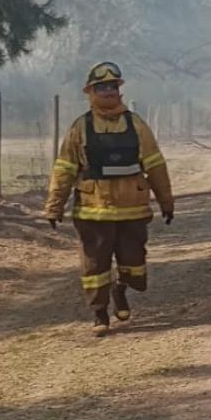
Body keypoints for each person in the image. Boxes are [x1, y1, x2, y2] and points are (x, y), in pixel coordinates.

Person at [44, 62, 174, 336]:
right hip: (93, 213)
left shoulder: (137, 125)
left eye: (113, 86)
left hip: (132, 211)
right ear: (90, 92)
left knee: (134, 264)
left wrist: (166, 202)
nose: (108, 91)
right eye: (101, 87)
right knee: (95, 267)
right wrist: (54, 207)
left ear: (119, 91)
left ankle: (121, 289)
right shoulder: (80, 128)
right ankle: (100, 314)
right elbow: (65, 168)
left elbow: (155, 165)